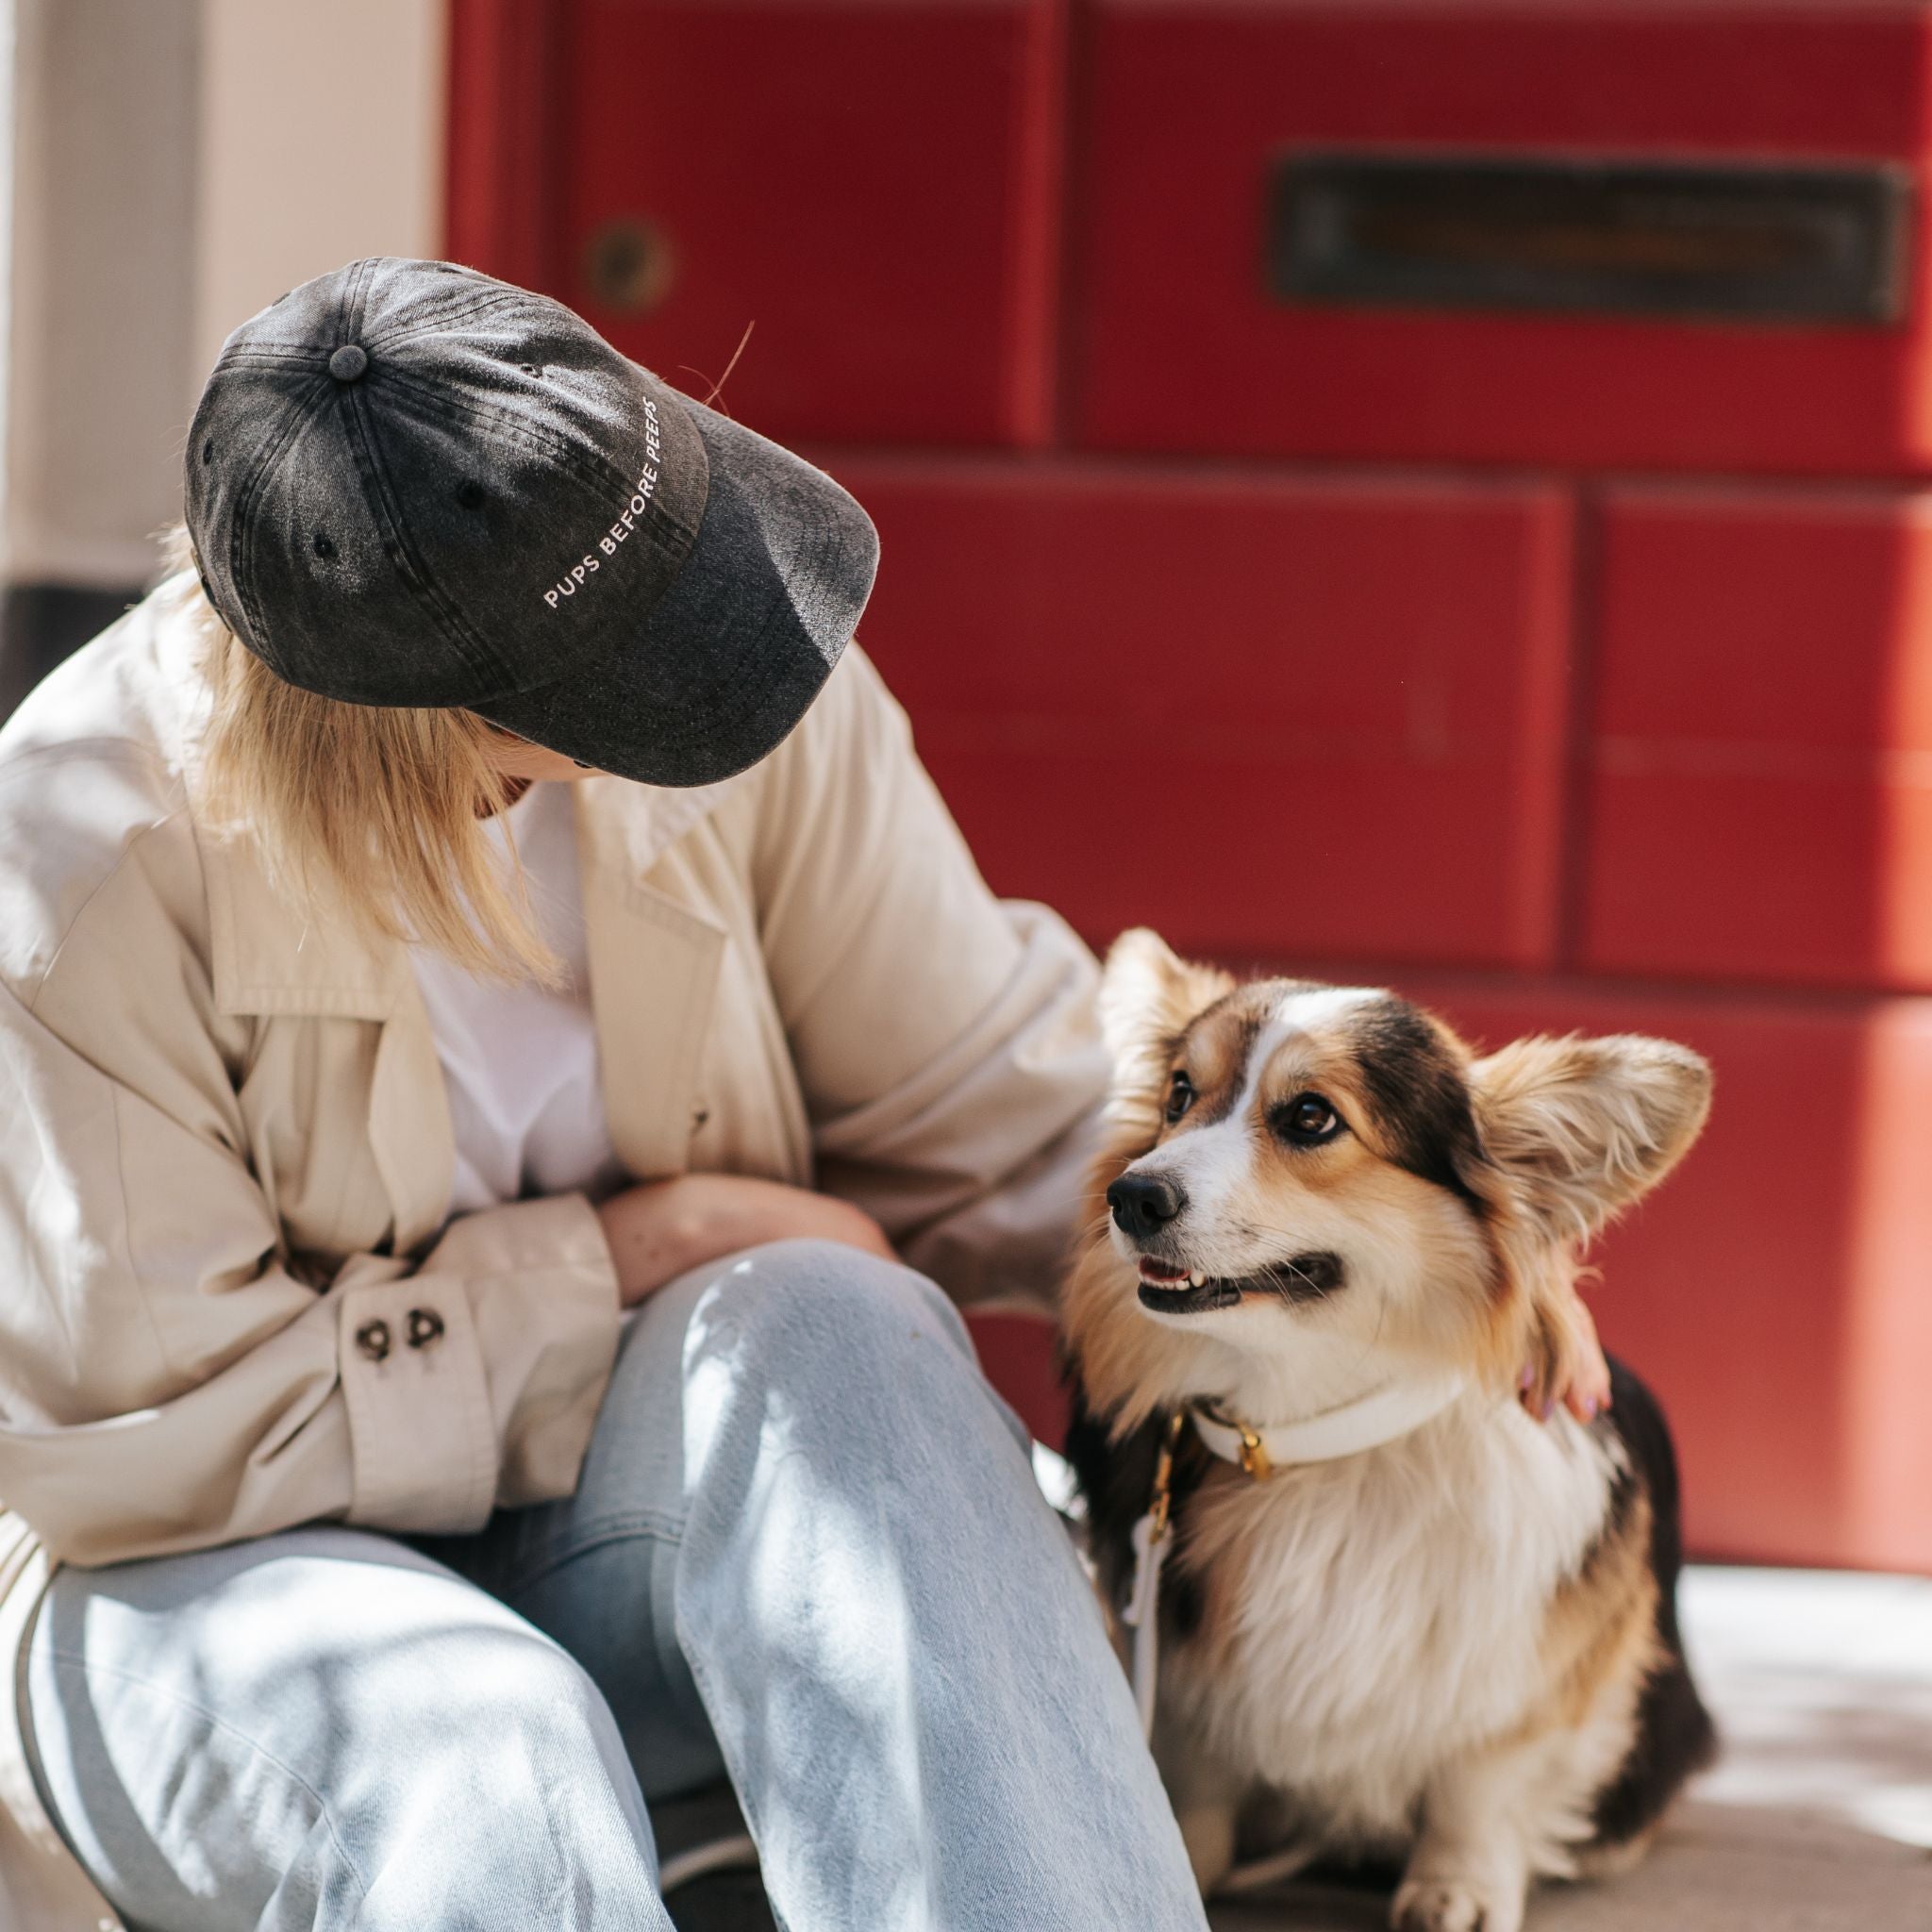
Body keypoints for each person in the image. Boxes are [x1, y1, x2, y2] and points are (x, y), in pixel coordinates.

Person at [0, 258, 1606, 1932]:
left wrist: (1419, 1286)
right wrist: (633, 1252)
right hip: (202, 1605)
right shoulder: (69, 880)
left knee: (840, 1320)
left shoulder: (751, 694)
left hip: (647, 1545)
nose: (697, 679)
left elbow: (1009, 1101)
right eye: (627, 673)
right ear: (426, 734)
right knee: (482, 1744)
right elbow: (149, 1452)